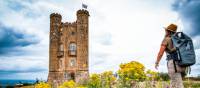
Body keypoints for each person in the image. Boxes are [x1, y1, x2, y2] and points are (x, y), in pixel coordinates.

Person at [155, 24, 186, 88]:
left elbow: (160, 53)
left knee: (178, 85)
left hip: (173, 65)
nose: (165, 31)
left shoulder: (166, 39)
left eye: (166, 30)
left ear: (168, 31)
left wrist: (157, 62)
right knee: (174, 84)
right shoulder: (178, 40)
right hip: (182, 65)